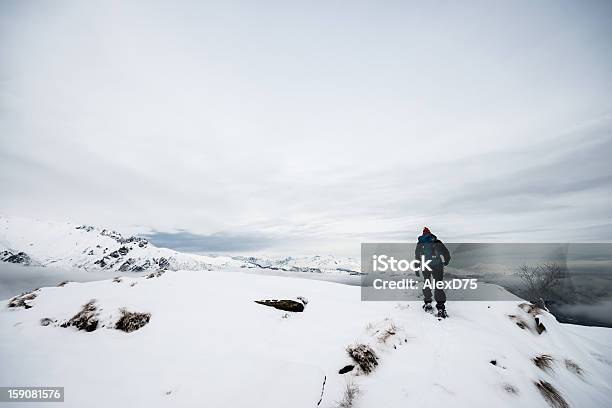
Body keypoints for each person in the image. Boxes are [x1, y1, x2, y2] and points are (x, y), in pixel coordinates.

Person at [415, 227, 451, 318]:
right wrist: (446, 261)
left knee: (427, 282)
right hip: (438, 265)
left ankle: (428, 303)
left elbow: (417, 256)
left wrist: (416, 267)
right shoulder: (437, 241)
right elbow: (446, 253)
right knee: (438, 284)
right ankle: (441, 308)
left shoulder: (420, 243)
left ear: (423, 234)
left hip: (425, 265)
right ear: (430, 233)